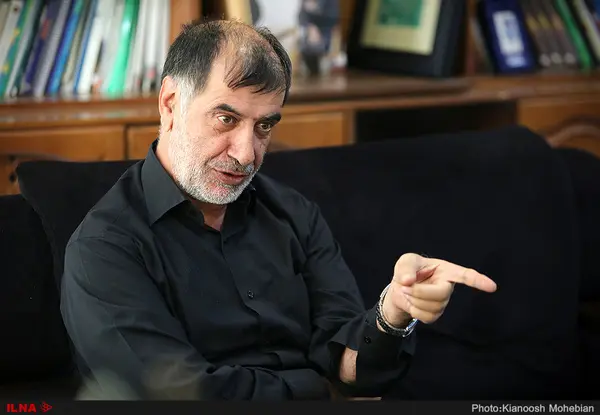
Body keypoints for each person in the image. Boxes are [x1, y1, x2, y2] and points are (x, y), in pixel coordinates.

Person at [60, 19, 497, 401]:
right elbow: (182, 394)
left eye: (264, 126)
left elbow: (349, 366)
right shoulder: (104, 248)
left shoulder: (293, 213)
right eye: (226, 119)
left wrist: (392, 314)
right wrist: (321, 389)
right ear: (171, 103)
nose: (246, 153)